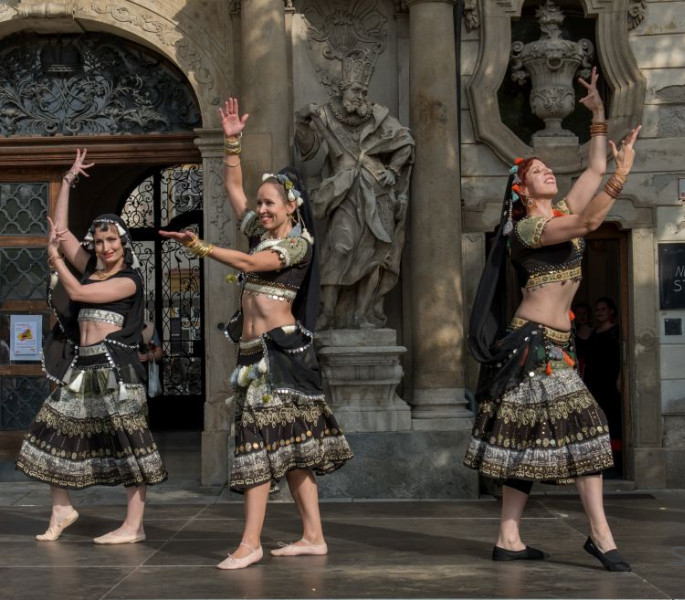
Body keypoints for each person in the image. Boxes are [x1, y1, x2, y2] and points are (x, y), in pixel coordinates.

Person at [160, 98, 354, 569]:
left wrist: (202, 246)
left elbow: (251, 265)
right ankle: (313, 536)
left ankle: (250, 543)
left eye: (270, 203)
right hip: (254, 354)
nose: (261, 209)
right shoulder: (262, 232)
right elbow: (232, 186)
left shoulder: (296, 242)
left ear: (292, 205)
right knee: (291, 450)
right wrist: (231, 142)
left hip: (281, 355)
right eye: (261, 203)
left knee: (258, 447)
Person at [464, 67, 639, 572]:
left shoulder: (556, 210)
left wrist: (599, 119)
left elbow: (590, 172)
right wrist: (621, 176)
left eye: (547, 168)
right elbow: (588, 221)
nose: (547, 171)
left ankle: (508, 539)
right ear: (520, 189)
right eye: (537, 170)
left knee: (522, 438)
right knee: (590, 428)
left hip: (557, 343)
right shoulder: (526, 230)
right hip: (534, 343)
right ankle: (601, 536)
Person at [16, 149, 167, 544]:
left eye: (111, 240)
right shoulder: (89, 266)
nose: (105, 247)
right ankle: (62, 509)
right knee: (50, 430)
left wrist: (56, 262)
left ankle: (134, 526)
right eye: (99, 241)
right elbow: (63, 234)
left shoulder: (130, 279)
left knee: (129, 443)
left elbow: (80, 290)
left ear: (123, 242)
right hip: (83, 368)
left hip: (116, 371)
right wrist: (67, 182)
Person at [294, 70, 415, 330]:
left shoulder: (378, 116)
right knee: (339, 248)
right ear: (341, 90)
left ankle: (362, 314)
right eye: (356, 91)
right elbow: (308, 151)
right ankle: (327, 312)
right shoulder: (324, 115)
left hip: (378, 193)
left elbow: (405, 142)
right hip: (345, 194)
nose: (361, 97)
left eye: (364, 92)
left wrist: (393, 171)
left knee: (376, 256)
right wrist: (303, 122)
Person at [583, 296, 624, 477]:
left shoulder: (616, 332)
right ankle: (599, 460)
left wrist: (621, 376)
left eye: (603, 309)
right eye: (597, 310)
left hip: (609, 383)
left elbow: (623, 357)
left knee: (612, 422)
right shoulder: (594, 332)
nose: (600, 312)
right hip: (593, 383)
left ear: (611, 312)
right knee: (596, 421)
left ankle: (615, 463)